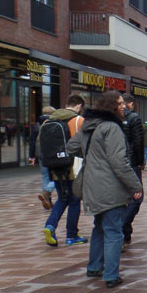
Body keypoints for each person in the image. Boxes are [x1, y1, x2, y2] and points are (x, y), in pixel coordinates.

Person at [68, 91, 143, 288]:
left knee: (99, 227)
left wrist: (92, 155)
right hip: (110, 186)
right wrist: (135, 185)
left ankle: (94, 267)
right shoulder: (112, 128)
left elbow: (71, 147)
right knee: (113, 231)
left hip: (91, 185)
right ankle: (111, 275)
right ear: (111, 106)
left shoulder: (89, 126)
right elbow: (119, 161)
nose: (123, 106)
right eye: (119, 104)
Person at [40, 95, 87, 247]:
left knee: (62, 198)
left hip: (54, 166)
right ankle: (71, 235)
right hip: (73, 165)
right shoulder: (78, 120)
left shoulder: (48, 121)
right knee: (74, 201)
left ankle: (50, 226)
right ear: (79, 106)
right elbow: (83, 145)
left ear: (66, 104)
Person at [120, 94, 145, 246]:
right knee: (137, 197)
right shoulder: (134, 118)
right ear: (130, 104)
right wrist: (140, 162)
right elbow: (138, 142)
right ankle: (122, 227)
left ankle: (126, 234)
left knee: (124, 199)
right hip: (132, 162)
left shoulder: (114, 119)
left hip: (117, 162)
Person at [29, 106, 56, 210]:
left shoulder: (37, 124)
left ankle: (47, 199)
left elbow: (32, 141)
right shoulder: (54, 123)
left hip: (40, 154)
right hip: (52, 154)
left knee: (45, 176)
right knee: (57, 177)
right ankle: (46, 193)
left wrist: (32, 156)